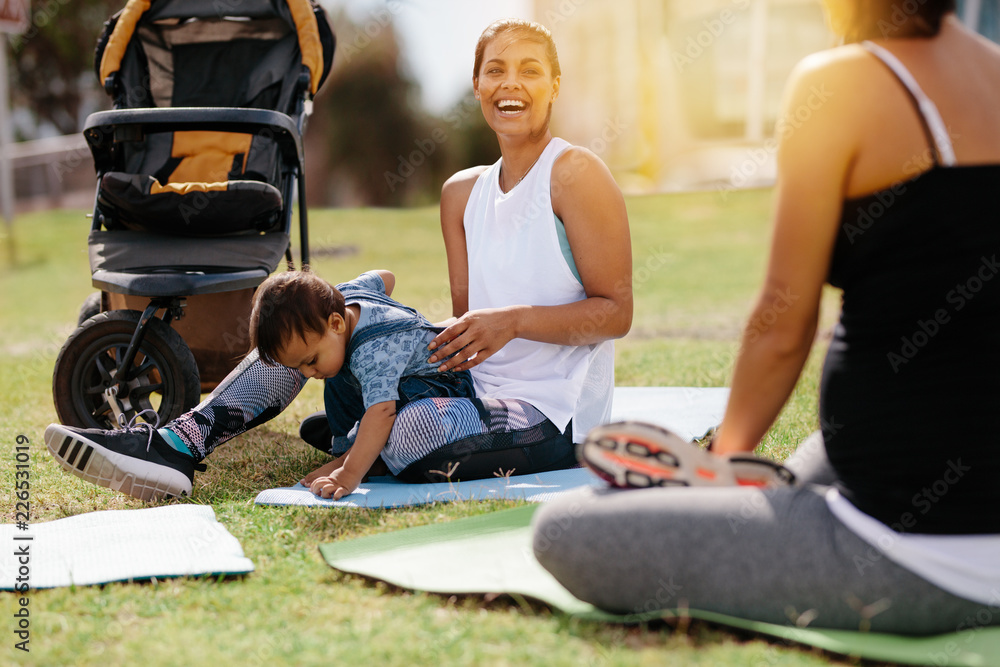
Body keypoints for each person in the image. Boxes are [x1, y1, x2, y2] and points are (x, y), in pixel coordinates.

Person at [533, 0, 1000, 635]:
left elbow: (784, 325)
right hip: (944, 487)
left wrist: (719, 468)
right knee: (818, 454)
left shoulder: (839, 81)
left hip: (919, 554)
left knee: (565, 531)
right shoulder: (992, 67)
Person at [45, 18, 633, 502]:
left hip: (549, 410)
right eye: (497, 69)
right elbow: (462, 329)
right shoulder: (460, 193)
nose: (513, 83)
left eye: (531, 69)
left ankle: (356, 439)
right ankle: (174, 446)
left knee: (404, 436)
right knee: (298, 332)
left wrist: (514, 322)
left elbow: (616, 313)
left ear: (555, 84)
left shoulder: (576, 175)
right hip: (468, 388)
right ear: (478, 85)